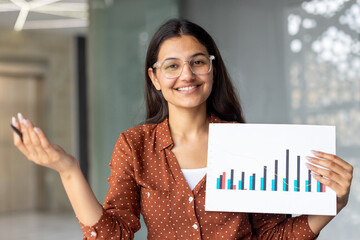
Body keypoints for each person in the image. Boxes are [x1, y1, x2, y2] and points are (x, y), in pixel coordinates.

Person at [12, 19, 353, 240]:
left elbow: (271, 235)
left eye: (198, 62)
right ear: (155, 79)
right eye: (172, 66)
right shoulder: (135, 145)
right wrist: (68, 169)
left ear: (212, 70)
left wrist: (330, 206)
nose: (187, 75)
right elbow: (112, 235)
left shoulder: (246, 143)